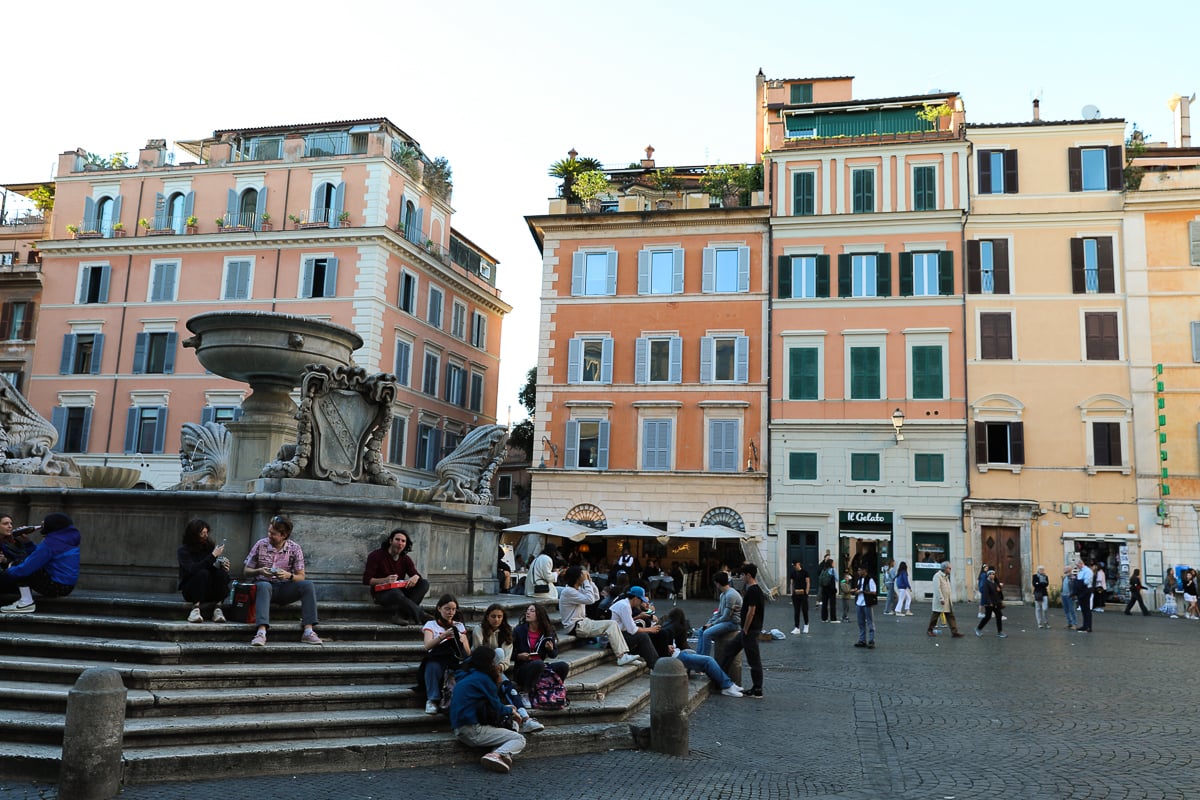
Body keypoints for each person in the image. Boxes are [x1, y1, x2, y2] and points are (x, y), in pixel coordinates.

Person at [243, 515, 321, 646]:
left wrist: (288, 576)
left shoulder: (295, 548)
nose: (269, 535)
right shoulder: (260, 544)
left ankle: (308, 631)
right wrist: (259, 571)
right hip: (263, 588)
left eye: (273, 533)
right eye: (268, 531)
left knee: (308, 585)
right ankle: (261, 632)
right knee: (263, 585)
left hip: (284, 588)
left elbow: (301, 576)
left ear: (284, 535)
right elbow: (246, 571)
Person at [449, 646, 525, 774]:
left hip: (461, 727)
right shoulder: (483, 679)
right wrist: (511, 711)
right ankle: (496, 755)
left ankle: (502, 755)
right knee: (519, 739)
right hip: (472, 730)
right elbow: (496, 706)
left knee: (511, 724)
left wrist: (507, 709)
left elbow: (487, 705)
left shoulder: (467, 676)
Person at [472, 604, 544, 734]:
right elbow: (478, 653)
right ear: (487, 617)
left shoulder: (506, 632)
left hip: (498, 669)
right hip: (480, 668)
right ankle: (516, 720)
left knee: (508, 685)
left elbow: (506, 658)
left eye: (499, 616)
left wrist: (499, 668)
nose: (496, 620)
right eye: (493, 616)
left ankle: (526, 718)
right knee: (498, 654)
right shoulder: (479, 629)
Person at [557, 565, 642, 666]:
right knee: (611, 624)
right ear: (577, 577)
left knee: (613, 624)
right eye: (582, 575)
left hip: (583, 623)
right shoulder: (568, 591)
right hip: (576, 626)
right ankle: (621, 656)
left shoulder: (576, 590)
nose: (584, 576)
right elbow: (590, 600)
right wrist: (586, 582)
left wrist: (590, 581)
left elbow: (596, 597)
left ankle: (624, 655)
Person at [0, 513, 80, 613]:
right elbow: (43, 556)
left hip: (55, 586)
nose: (41, 525)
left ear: (52, 525)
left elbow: (27, 567)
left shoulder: (51, 543)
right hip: (66, 586)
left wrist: (6, 574)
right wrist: (28, 543)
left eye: (44, 523)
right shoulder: (65, 539)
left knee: (20, 564)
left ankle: (26, 602)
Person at [362, 528, 429, 625]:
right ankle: (423, 616)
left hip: (400, 591)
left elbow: (415, 574)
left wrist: (415, 577)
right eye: (397, 540)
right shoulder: (376, 556)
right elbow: (366, 580)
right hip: (381, 593)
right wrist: (385, 580)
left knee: (424, 583)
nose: (400, 543)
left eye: (403, 541)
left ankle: (400, 615)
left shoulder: (405, 558)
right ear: (390, 541)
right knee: (396, 592)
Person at [419, 593, 471, 714]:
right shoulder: (431, 625)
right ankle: (432, 699)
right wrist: (444, 636)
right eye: (447, 609)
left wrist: (463, 640)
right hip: (437, 657)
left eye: (453, 609)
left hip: (455, 658)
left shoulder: (459, 625)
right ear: (439, 608)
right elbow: (427, 646)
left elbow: (467, 652)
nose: (451, 612)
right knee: (432, 666)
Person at [719, 563, 764, 697]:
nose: (741, 577)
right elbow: (749, 609)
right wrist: (740, 610)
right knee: (729, 649)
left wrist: (745, 629)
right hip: (750, 630)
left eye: (743, 575)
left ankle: (757, 689)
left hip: (749, 630)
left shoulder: (753, 590)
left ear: (748, 575)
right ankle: (723, 680)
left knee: (753, 660)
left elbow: (752, 611)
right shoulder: (754, 590)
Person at [177, 518, 232, 623]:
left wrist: (222, 565)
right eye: (203, 534)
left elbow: (210, 566)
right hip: (192, 590)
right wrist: (212, 556)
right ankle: (195, 609)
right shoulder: (183, 551)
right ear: (194, 535)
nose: (206, 536)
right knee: (202, 573)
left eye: (207, 533)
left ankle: (218, 608)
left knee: (221, 574)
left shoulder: (208, 546)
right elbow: (192, 569)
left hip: (208, 589)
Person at [511, 603, 570, 696]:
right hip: (523, 669)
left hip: (541, 668)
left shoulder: (547, 631)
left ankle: (555, 690)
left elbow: (554, 655)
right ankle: (526, 693)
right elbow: (510, 653)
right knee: (538, 664)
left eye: (532, 611)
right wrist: (519, 656)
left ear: (539, 614)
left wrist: (550, 649)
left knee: (563, 666)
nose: (528, 613)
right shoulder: (519, 630)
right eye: (527, 610)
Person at [609, 585, 661, 667]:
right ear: (636, 598)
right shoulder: (625, 606)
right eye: (641, 601)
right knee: (643, 636)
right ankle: (655, 665)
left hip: (619, 634)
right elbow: (632, 630)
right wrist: (650, 629)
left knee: (643, 635)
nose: (641, 603)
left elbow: (628, 624)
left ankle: (651, 661)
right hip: (615, 638)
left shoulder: (625, 604)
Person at [695, 572, 742, 657]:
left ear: (717, 583)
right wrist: (709, 622)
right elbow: (719, 613)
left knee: (707, 634)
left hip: (732, 623)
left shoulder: (730, 595)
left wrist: (712, 624)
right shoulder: (723, 594)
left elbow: (726, 616)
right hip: (725, 621)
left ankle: (704, 659)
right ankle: (699, 657)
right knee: (701, 630)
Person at [926, 561, 964, 638]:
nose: (950, 569)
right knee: (935, 616)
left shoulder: (946, 576)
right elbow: (937, 588)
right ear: (945, 568)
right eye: (949, 568)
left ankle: (954, 632)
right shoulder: (937, 576)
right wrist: (941, 598)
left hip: (947, 600)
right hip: (940, 600)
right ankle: (930, 630)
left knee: (950, 616)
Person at [852, 565, 877, 649]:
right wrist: (855, 591)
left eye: (860, 570)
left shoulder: (870, 580)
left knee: (870, 622)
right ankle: (862, 640)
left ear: (864, 571)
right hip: (859, 603)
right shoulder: (859, 579)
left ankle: (871, 640)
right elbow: (858, 588)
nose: (858, 572)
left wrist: (862, 591)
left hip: (866, 603)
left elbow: (874, 591)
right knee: (860, 622)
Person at [976, 569, 1007, 638]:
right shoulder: (986, 583)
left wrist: (999, 590)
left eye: (993, 574)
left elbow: (997, 592)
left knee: (999, 616)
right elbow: (986, 594)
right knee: (987, 617)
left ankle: (1000, 631)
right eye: (990, 574)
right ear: (988, 575)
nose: (991, 575)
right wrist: (989, 602)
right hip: (989, 603)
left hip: (996, 603)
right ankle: (978, 629)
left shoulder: (995, 582)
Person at [787, 558, 810, 635]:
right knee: (796, 611)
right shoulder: (793, 573)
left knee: (804, 610)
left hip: (803, 593)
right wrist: (791, 592)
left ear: (798, 564)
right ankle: (797, 627)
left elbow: (808, 582)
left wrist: (806, 592)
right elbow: (791, 583)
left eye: (795, 565)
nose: (794, 567)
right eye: (793, 566)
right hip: (796, 594)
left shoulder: (805, 572)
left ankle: (806, 625)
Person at [1075, 559, 1094, 633]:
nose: (1077, 567)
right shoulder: (1081, 571)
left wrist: (1079, 582)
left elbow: (1086, 581)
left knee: (1087, 609)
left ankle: (1088, 626)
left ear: (1081, 563)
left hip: (1086, 590)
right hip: (1081, 591)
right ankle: (1084, 625)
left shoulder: (1087, 571)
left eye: (1077, 565)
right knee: (1083, 609)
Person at [818, 558, 839, 623]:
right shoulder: (832, 570)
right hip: (831, 588)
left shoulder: (824, 570)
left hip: (824, 588)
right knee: (832, 603)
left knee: (824, 603)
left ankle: (824, 618)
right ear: (831, 564)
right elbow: (837, 578)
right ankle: (833, 618)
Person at [1031, 565, 1050, 629]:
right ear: (1038, 570)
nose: (1041, 570)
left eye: (1042, 569)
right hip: (1037, 593)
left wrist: (1038, 583)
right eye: (1040, 569)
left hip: (1044, 594)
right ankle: (1039, 623)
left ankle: (1046, 622)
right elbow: (1034, 584)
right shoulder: (1035, 576)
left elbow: (1046, 584)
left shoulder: (1045, 576)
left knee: (1045, 609)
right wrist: (1041, 583)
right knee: (1038, 609)